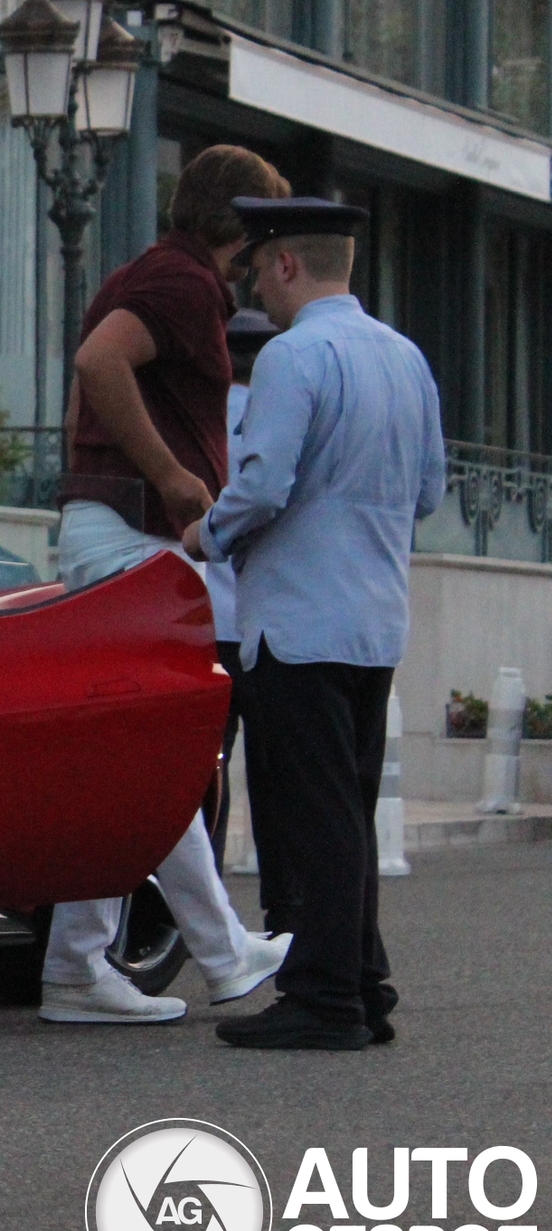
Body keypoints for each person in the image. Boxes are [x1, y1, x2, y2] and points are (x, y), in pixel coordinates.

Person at [37, 145, 292, 1026]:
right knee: (150, 756)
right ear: (236, 224)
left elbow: (94, 377)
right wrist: (176, 477)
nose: (266, 256)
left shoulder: (151, 277)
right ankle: (220, 954)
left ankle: (79, 962)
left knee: (123, 760)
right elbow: (99, 364)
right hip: (132, 536)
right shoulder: (182, 286)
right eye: (263, 231)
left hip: (108, 528)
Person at [185, 197, 446, 1051]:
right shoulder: (405, 358)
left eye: (260, 267)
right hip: (375, 621)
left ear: (287, 264)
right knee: (350, 809)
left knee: (314, 817)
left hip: (297, 623)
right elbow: (430, 493)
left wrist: (206, 533)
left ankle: (326, 996)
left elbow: (261, 485)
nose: (258, 281)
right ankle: (362, 981)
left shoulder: (296, 357)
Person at [209, 307, 294, 933]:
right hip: (263, 620)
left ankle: (203, 899)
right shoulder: (279, 415)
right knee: (274, 772)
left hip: (208, 619)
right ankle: (282, 909)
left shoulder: (203, 420)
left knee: (207, 769)